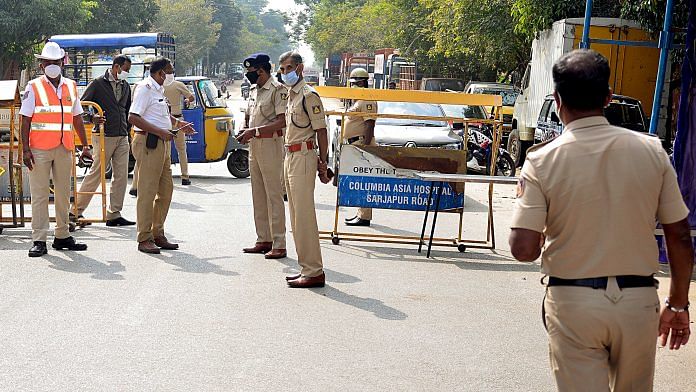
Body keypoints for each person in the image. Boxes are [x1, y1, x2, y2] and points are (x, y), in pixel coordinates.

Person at [509, 49, 692, 391]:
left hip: (573, 302)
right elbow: (680, 235)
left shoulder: (541, 160)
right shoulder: (651, 151)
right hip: (637, 304)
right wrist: (678, 303)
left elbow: (522, 248)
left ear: (556, 100)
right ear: (608, 98)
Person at [19, 42, 92, 257]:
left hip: (64, 146)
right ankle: (39, 239)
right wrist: (25, 149)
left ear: (63, 62)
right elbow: (25, 119)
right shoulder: (33, 86)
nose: (52, 65)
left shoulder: (71, 86)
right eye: (48, 62)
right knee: (40, 194)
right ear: (41, 64)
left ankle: (62, 236)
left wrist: (85, 146)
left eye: (56, 62)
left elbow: (77, 117)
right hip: (38, 148)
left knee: (63, 194)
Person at [128, 57, 194, 254]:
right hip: (149, 143)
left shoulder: (159, 90)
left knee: (166, 191)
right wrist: (158, 131)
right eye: (169, 70)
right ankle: (144, 237)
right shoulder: (145, 88)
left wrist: (178, 123)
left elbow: (162, 115)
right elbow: (133, 117)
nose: (172, 74)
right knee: (147, 192)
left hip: (163, 144)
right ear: (160, 73)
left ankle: (158, 233)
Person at [278, 51, 332, 288]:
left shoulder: (309, 96)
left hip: (304, 155)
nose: (285, 72)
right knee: (296, 216)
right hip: (291, 155)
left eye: (288, 67)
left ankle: (313, 270)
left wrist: (323, 163)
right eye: (282, 69)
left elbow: (321, 131)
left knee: (304, 216)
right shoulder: (290, 95)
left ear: (300, 68)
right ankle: (306, 268)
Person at [70, 55, 135, 227]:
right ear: (116, 67)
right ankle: (75, 211)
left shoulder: (126, 86)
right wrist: (92, 117)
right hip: (103, 134)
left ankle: (114, 213)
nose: (128, 73)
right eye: (126, 69)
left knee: (121, 176)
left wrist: (127, 131)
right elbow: (80, 106)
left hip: (121, 135)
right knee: (96, 173)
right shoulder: (98, 83)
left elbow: (127, 109)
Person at [237, 53, 288, 259]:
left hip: (271, 145)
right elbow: (249, 116)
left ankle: (279, 242)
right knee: (258, 195)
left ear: (260, 70)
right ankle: (263, 239)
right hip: (254, 146)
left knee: (273, 195)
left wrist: (255, 131)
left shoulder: (278, 91)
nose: (248, 76)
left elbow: (282, 121)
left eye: (250, 72)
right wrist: (244, 129)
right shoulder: (253, 90)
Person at [342, 67, 377, 227]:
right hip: (354, 144)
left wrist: (366, 147)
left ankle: (364, 216)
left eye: (355, 83)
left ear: (362, 83)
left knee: (363, 181)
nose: (352, 86)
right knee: (358, 180)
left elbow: (370, 124)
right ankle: (360, 213)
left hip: (362, 143)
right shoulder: (358, 99)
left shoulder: (367, 99)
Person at [164, 76, 195, 186]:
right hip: (178, 120)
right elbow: (191, 98)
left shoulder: (158, 85)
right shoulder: (178, 84)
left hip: (164, 121)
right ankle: (185, 176)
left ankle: (166, 177)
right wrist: (186, 100)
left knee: (166, 150)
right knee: (181, 149)